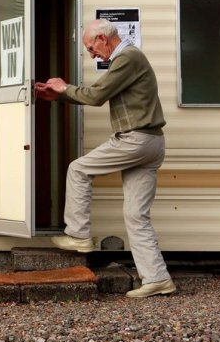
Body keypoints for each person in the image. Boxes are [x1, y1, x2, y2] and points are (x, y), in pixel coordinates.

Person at [34, 19, 175, 298]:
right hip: (151, 142)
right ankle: (158, 278)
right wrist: (60, 97)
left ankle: (78, 234)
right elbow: (97, 95)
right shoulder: (127, 59)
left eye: (91, 48)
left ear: (102, 38)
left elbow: (97, 95)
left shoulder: (128, 57)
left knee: (78, 169)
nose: (92, 54)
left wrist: (63, 87)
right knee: (136, 215)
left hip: (135, 140)